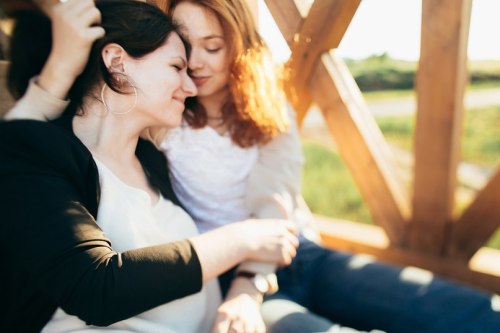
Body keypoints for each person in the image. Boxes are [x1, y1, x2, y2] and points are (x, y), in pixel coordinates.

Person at [7, 0, 500, 332]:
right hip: (220, 273)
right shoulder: (158, 122)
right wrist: (64, 65)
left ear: (237, 46)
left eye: (212, 47)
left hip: (290, 253)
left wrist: (251, 281)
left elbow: (273, 207)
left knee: (453, 308)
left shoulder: (266, 109)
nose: (195, 67)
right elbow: (37, 139)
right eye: (182, 53)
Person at [0, 1, 299, 332]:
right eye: (176, 66)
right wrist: (243, 237)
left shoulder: (153, 156)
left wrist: (246, 287)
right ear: (117, 62)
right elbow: (96, 289)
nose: (190, 86)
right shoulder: (42, 156)